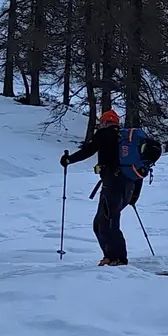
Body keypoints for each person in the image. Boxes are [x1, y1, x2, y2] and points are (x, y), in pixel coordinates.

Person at [62, 109, 133, 266]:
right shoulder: (124, 139)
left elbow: (87, 151)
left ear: (106, 122)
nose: (100, 125)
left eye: (101, 122)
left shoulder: (105, 134)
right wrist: (133, 197)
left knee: (105, 222)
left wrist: (68, 160)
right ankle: (111, 256)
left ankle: (117, 258)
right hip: (128, 186)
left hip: (112, 185)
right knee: (106, 221)